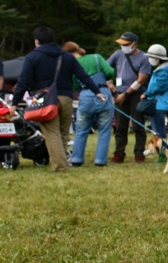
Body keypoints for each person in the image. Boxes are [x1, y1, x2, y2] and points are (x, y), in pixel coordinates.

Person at [9, 26, 105, 173]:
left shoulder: (32, 57)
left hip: (46, 100)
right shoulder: (67, 56)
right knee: (63, 134)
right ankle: (60, 162)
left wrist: (14, 103)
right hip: (66, 98)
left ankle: (60, 167)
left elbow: (23, 81)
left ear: (37, 41)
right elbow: (83, 75)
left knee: (52, 133)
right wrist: (97, 91)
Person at [64, 41, 116, 168]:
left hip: (85, 95)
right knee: (104, 131)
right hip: (103, 94)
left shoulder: (71, 64)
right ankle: (100, 160)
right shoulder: (97, 57)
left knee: (81, 130)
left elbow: (75, 85)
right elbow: (110, 72)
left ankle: (76, 159)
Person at [109, 32, 153, 164]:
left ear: (134, 44)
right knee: (120, 127)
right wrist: (109, 83)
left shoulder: (144, 58)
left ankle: (139, 154)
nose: (123, 47)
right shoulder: (117, 54)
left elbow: (141, 79)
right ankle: (119, 153)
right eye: (121, 44)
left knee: (138, 126)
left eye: (126, 44)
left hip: (136, 95)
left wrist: (125, 94)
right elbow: (105, 68)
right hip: (119, 93)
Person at [141, 44, 168, 146]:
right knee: (158, 130)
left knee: (159, 131)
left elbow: (158, 87)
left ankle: (164, 152)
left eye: (151, 57)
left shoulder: (163, 72)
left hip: (159, 104)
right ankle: (163, 151)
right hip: (159, 103)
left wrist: (146, 94)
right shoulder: (162, 70)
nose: (149, 59)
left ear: (157, 58)